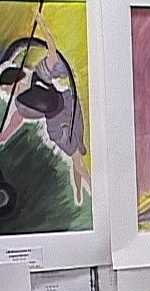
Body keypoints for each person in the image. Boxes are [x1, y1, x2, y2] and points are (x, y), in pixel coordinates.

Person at [0, 10, 91, 206]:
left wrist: (42, 24)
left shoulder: (39, 75)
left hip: (67, 103)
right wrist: (2, 138)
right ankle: (86, 189)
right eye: (5, 91)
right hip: (55, 124)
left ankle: (83, 180)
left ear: (16, 80)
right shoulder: (20, 105)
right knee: (76, 157)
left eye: (7, 88)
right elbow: (13, 124)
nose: (7, 93)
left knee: (78, 150)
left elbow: (52, 51)